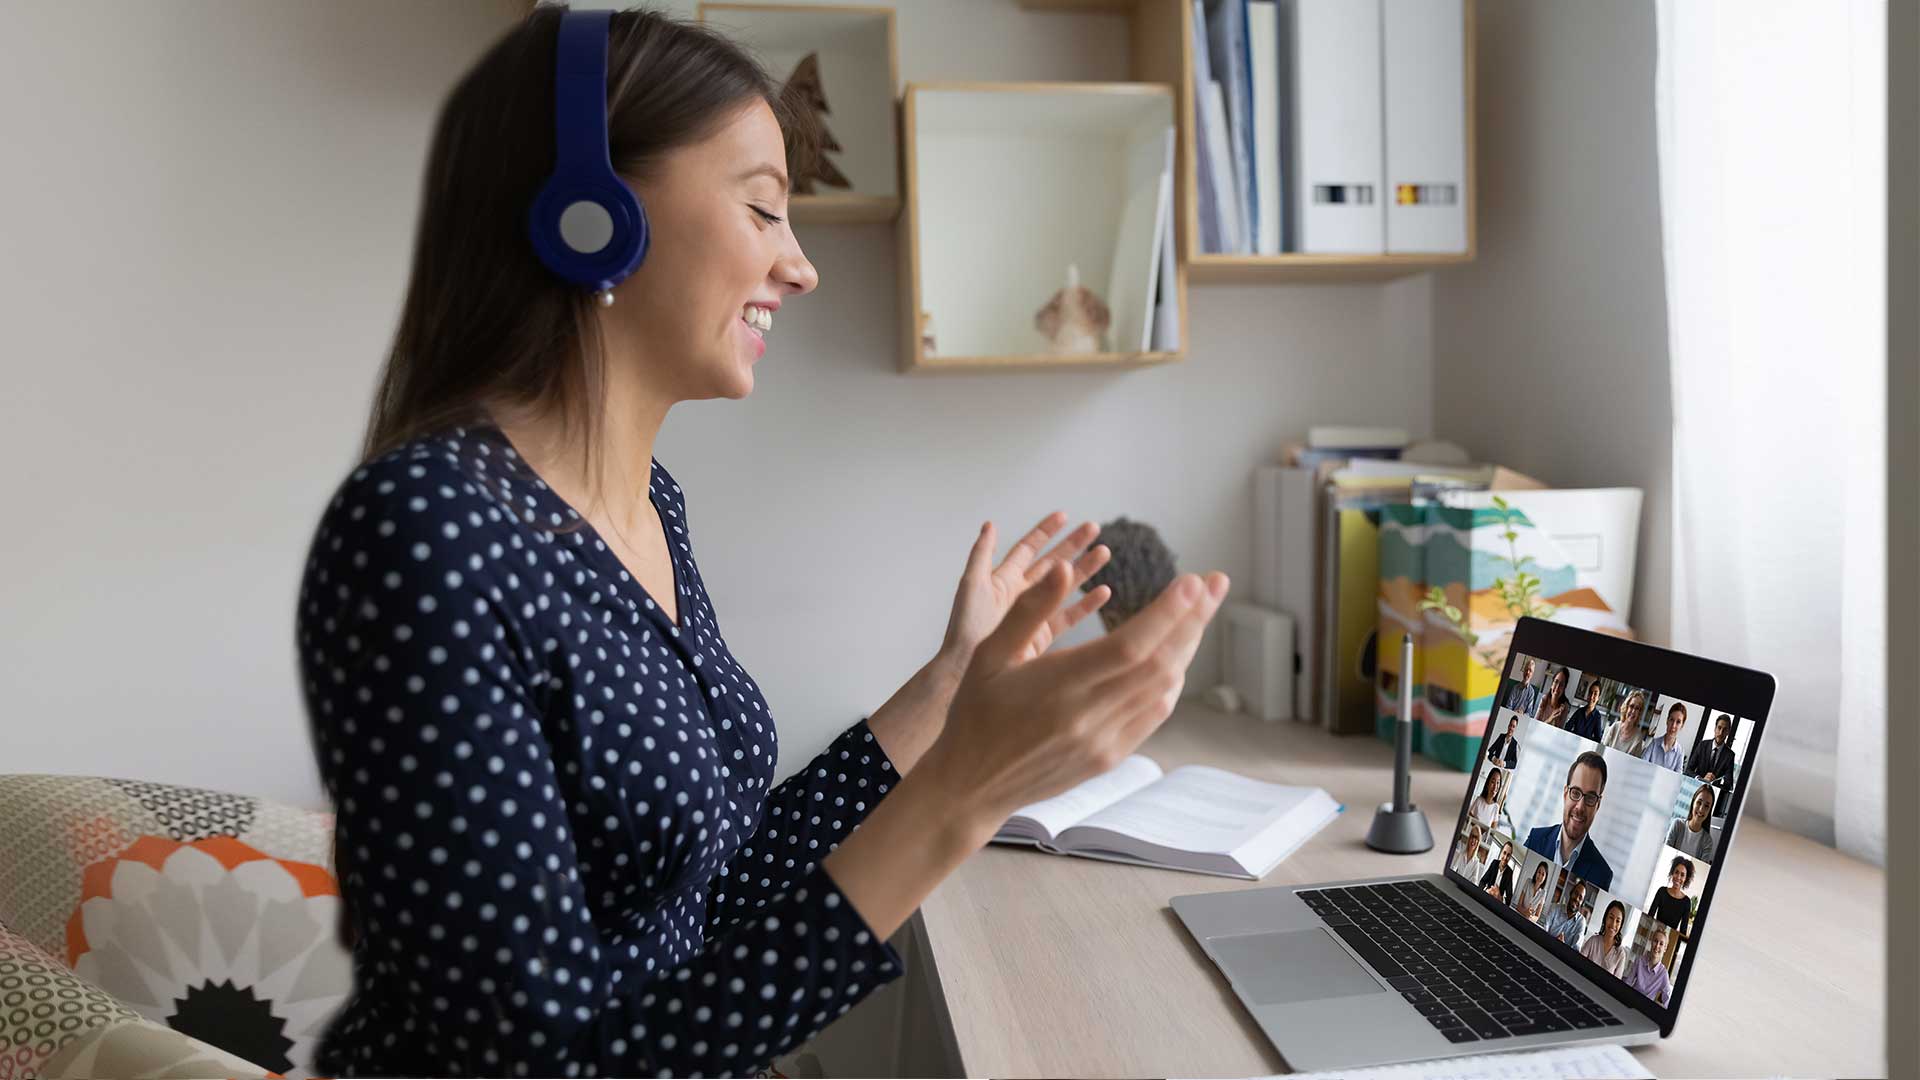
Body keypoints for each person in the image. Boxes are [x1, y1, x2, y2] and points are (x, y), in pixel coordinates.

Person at [293, 11, 1234, 1075]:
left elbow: (710, 890)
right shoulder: (425, 534)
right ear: (589, 214)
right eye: (763, 210)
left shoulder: (651, 504)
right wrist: (961, 796)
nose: (801, 268)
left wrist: (951, 686)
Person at [1523, 751, 1615, 890]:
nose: (1580, 807)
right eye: (1576, 793)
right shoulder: (1535, 838)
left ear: (1598, 804)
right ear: (1566, 794)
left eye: (1590, 797)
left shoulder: (1602, 874)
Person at [1686, 712, 1739, 814]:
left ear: (1728, 732)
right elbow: (1688, 770)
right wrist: (1700, 778)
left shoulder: (1730, 755)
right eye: (1719, 728)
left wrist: (1714, 783)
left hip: (1713, 799)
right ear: (1715, 728)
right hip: (1694, 791)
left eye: (1724, 730)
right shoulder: (1702, 745)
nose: (1720, 732)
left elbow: (1728, 785)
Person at [1624, 924, 1675, 1006]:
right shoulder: (1639, 960)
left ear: (1665, 948)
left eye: (1661, 944)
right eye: (1655, 941)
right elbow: (1628, 982)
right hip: (1630, 1001)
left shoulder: (1663, 974)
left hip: (1645, 1009)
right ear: (1652, 942)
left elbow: (1667, 999)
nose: (1657, 946)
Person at [1666, 782, 1718, 862]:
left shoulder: (1707, 841)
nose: (1701, 809)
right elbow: (1666, 854)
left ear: (1710, 811)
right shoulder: (1677, 824)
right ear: (1693, 802)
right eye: (1699, 803)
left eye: (1706, 806)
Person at [1579, 900, 1631, 977]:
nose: (1613, 924)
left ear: (1621, 926)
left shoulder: (1621, 954)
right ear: (1605, 918)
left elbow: (1615, 984)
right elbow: (1578, 964)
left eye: (1617, 921)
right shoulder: (1593, 941)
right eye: (1611, 917)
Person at [1647, 855, 1696, 930]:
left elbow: (1683, 931)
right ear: (1672, 873)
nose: (1678, 877)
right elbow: (1649, 918)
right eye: (1676, 872)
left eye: (1682, 875)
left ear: (1686, 879)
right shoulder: (1661, 891)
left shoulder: (1686, 902)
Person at [1641, 701, 1690, 772]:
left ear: (1682, 725)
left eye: (1678, 722)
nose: (1673, 726)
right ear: (1667, 721)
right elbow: (1642, 765)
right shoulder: (1654, 743)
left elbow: (1677, 778)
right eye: (1671, 720)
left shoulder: (1680, 752)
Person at [1604, 689, 1649, 756]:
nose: (1633, 711)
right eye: (1631, 706)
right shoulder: (1615, 726)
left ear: (1639, 713)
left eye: (1637, 708)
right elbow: (1603, 750)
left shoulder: (1638, 737)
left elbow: (1634, 763)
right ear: (1626, 707)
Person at [1544, 879, 1589, 946]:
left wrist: (1562, 946)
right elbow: (1543, 929)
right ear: (1571, 893)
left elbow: (1575, 950)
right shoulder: (1554, 908)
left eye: (1580, 898)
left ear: (1582, 903)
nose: (1576, 898)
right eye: (1575, 893)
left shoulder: (1581, 922)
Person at [1564, 675, 1606, 741]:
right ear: (1588, 694)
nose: (1592, 696)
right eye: (1590, 693)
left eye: (1595, 694)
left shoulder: (1597, 716)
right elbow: (1567, 728)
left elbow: (1598, 739)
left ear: (1598, 698)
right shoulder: (1579, 711)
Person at [1478, 839, 1517, 903]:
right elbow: (1482, 882)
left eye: (1508, 855)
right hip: (1486, 897)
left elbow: (1509, 898)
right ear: (1501, 852)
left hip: (1497, 903)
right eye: (1504, 853)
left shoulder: (1509, 872)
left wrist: (1500, 898)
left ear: (1510, 857)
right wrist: (1487, 890)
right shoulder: (1494, 863)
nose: (1505, 857)